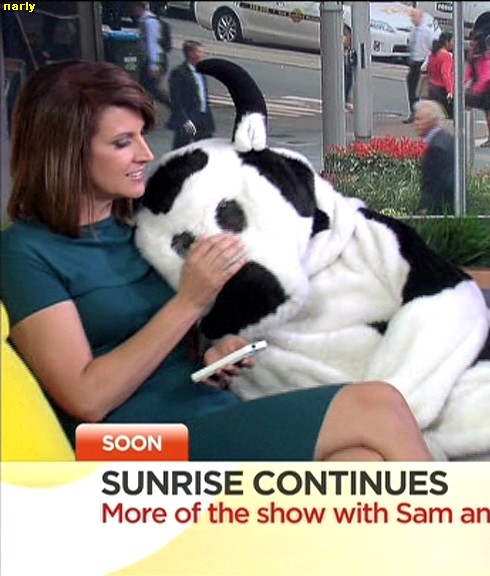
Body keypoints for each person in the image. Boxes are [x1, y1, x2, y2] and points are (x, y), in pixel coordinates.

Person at [1, 60, 433, 462]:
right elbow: (86, 398)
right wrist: (189, 302)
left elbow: (164, 344)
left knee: (363, 465)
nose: (145, 155)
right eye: (122, 143)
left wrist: (212, 356)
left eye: (141, 135)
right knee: (377, 405)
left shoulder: (144, 227)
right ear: (67, 152)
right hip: (126, 446)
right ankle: (462, 519)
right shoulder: (22, 252)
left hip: (204, 410)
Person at [167, 40, 214, 149]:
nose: (203, 55)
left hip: (202, 117)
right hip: (188, 118)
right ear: (191, 54)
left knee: (206, 147)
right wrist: (185, 120)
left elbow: (203, 94)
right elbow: (176, 100)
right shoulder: (179, 73)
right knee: (181, 147)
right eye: (200, 52)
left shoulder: (201, 71)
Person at [412, 99, 455, 215]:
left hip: (442, 212)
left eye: (419, 119)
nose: (415, 123)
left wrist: (425, 209)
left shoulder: (436, 149)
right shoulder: (446, 138)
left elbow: (434, 185)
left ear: (432, 120)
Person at [128, 1, 170, 109]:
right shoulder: (144, 20)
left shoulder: (149, 22)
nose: (132, 11)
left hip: (155, 61)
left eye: (133, 7)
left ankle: (173, 106)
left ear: (139, 7)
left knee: (152, 89)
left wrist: (153, 65)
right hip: (151, 60)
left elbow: (153, 43)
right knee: (146, 88)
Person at [466, 31, 490, 147]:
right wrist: (465, 82)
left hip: (485, 85)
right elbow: (470, 70)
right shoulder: (473, 55)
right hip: (476, 83)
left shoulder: (485, 57)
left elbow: (486, 76)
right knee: (466, 107)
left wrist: (476, 89)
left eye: (473, 43)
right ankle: (464, 133)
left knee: (487, 111)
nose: (471, 45)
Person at [404, 9, 433, 123]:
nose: (412, 19)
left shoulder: (427, 31)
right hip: (413, 62)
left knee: (421, 90)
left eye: (414, 16)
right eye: (411, 16)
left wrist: (427, 63)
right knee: (411, 87)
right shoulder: (413, 31)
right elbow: (411, 46)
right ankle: (413, 111)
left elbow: (432, 48)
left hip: (422, 63)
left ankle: (423, 114)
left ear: (420, 17)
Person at [425, 32, 455, 119]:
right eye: (452, 41)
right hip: (442, 89)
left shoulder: (433, 54)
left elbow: (426, 68)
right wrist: (450, 91)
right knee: (450, 116)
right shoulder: (446, 56)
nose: (453, 44)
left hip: (432, 87)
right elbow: (445, 74)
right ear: (446, 42)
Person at [343, 26, 356, 112]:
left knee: (348, 81)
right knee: (346, 81)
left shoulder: (349, 49)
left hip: (348, 66)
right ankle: (344, 100)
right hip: (345, 66)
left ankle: (346, 100)